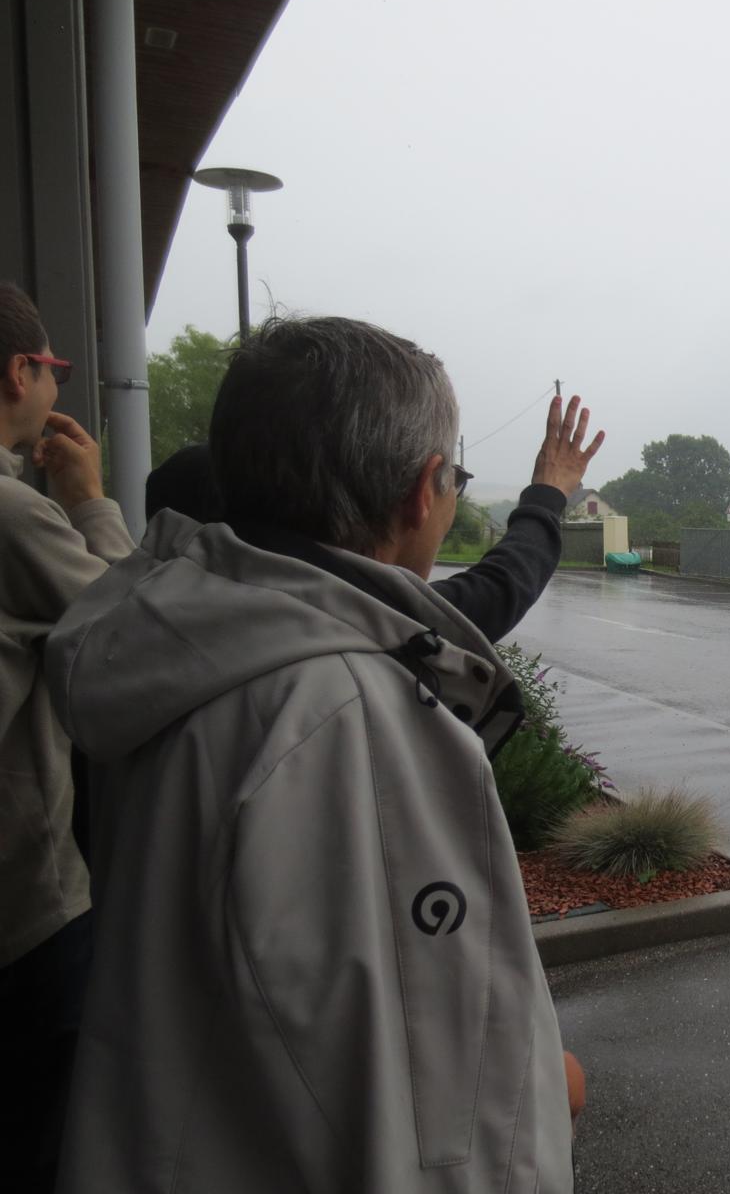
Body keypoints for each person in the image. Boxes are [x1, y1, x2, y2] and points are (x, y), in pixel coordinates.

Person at [45, 316, 586, 1193]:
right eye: (457, 474)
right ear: (425, 490)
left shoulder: (161, 648)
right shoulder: (352, 717)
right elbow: (440, 1113)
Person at [0, 282, 135, 1194]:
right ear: (20, 372)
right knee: (45, 1138)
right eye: (56, 369)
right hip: (24, 912)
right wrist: (89, 502)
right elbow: (141, 637)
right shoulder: (14, 518)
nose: (59, 387)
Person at [145, 389, 603, 644]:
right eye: (454, 479)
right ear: (423, 491)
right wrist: (547, 492)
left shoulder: (138, 615)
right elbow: (498, 589)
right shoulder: (340, 629)